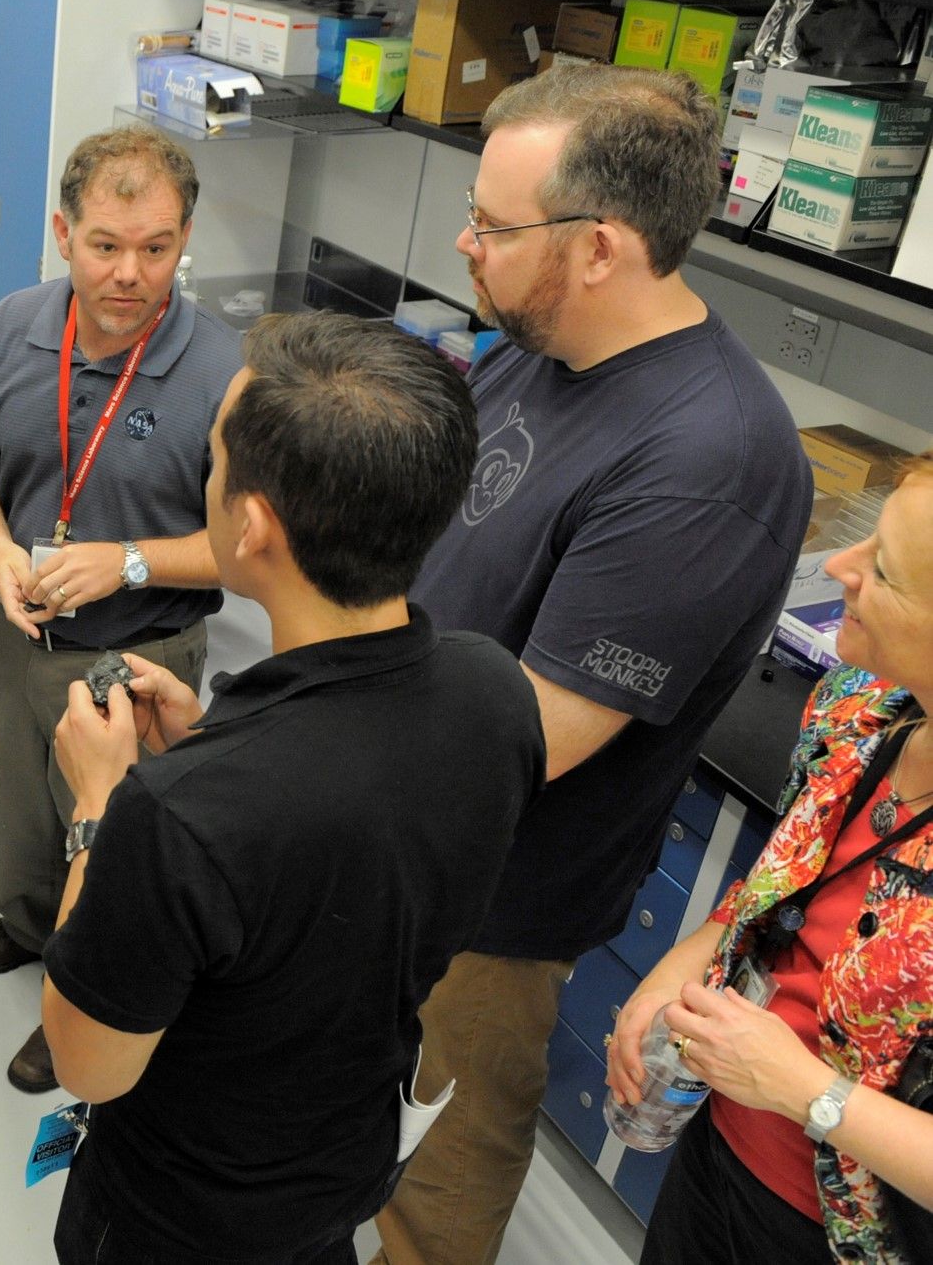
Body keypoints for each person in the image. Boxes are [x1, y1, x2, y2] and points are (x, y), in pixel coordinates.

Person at [372, 63, 815, 1265]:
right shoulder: (538, 338)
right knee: (350, 1121)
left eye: (495, 225)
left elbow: (536, 733)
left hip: (491, 897)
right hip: (399, 827)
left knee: (433, 1169)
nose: (467, 242)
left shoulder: (707, 457)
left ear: (603, 245)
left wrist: (310, 755)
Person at [45, 310, 545, 1264]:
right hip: (338, 1176)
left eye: (217, 460)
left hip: (177, 1219)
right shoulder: (494, 691)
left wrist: (99, 804)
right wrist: (218, 742)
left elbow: (89, 1064)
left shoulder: (173, 817)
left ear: (254, 525)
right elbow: (349, 830)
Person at [0, 123, 235, 1092]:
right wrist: (0, 548)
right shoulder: (14, 328)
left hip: (139, 658)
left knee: (108, 847)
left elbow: (247, 545)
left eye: (157, 247)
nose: (132, 273)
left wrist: (130, 561)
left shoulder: (227, 375)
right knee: (21, 809)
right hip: (20, 638)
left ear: (186, 238)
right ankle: (23, 926)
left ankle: (81, 1006)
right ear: (63, 232)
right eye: (106, 245)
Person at [619, 452, 933, 1265]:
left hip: (842, 1237)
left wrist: (804, 1092)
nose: (839, 568)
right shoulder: (860, 710)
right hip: (721, 1156)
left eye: (885, 572)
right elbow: (783, 884)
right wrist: (677, 973)